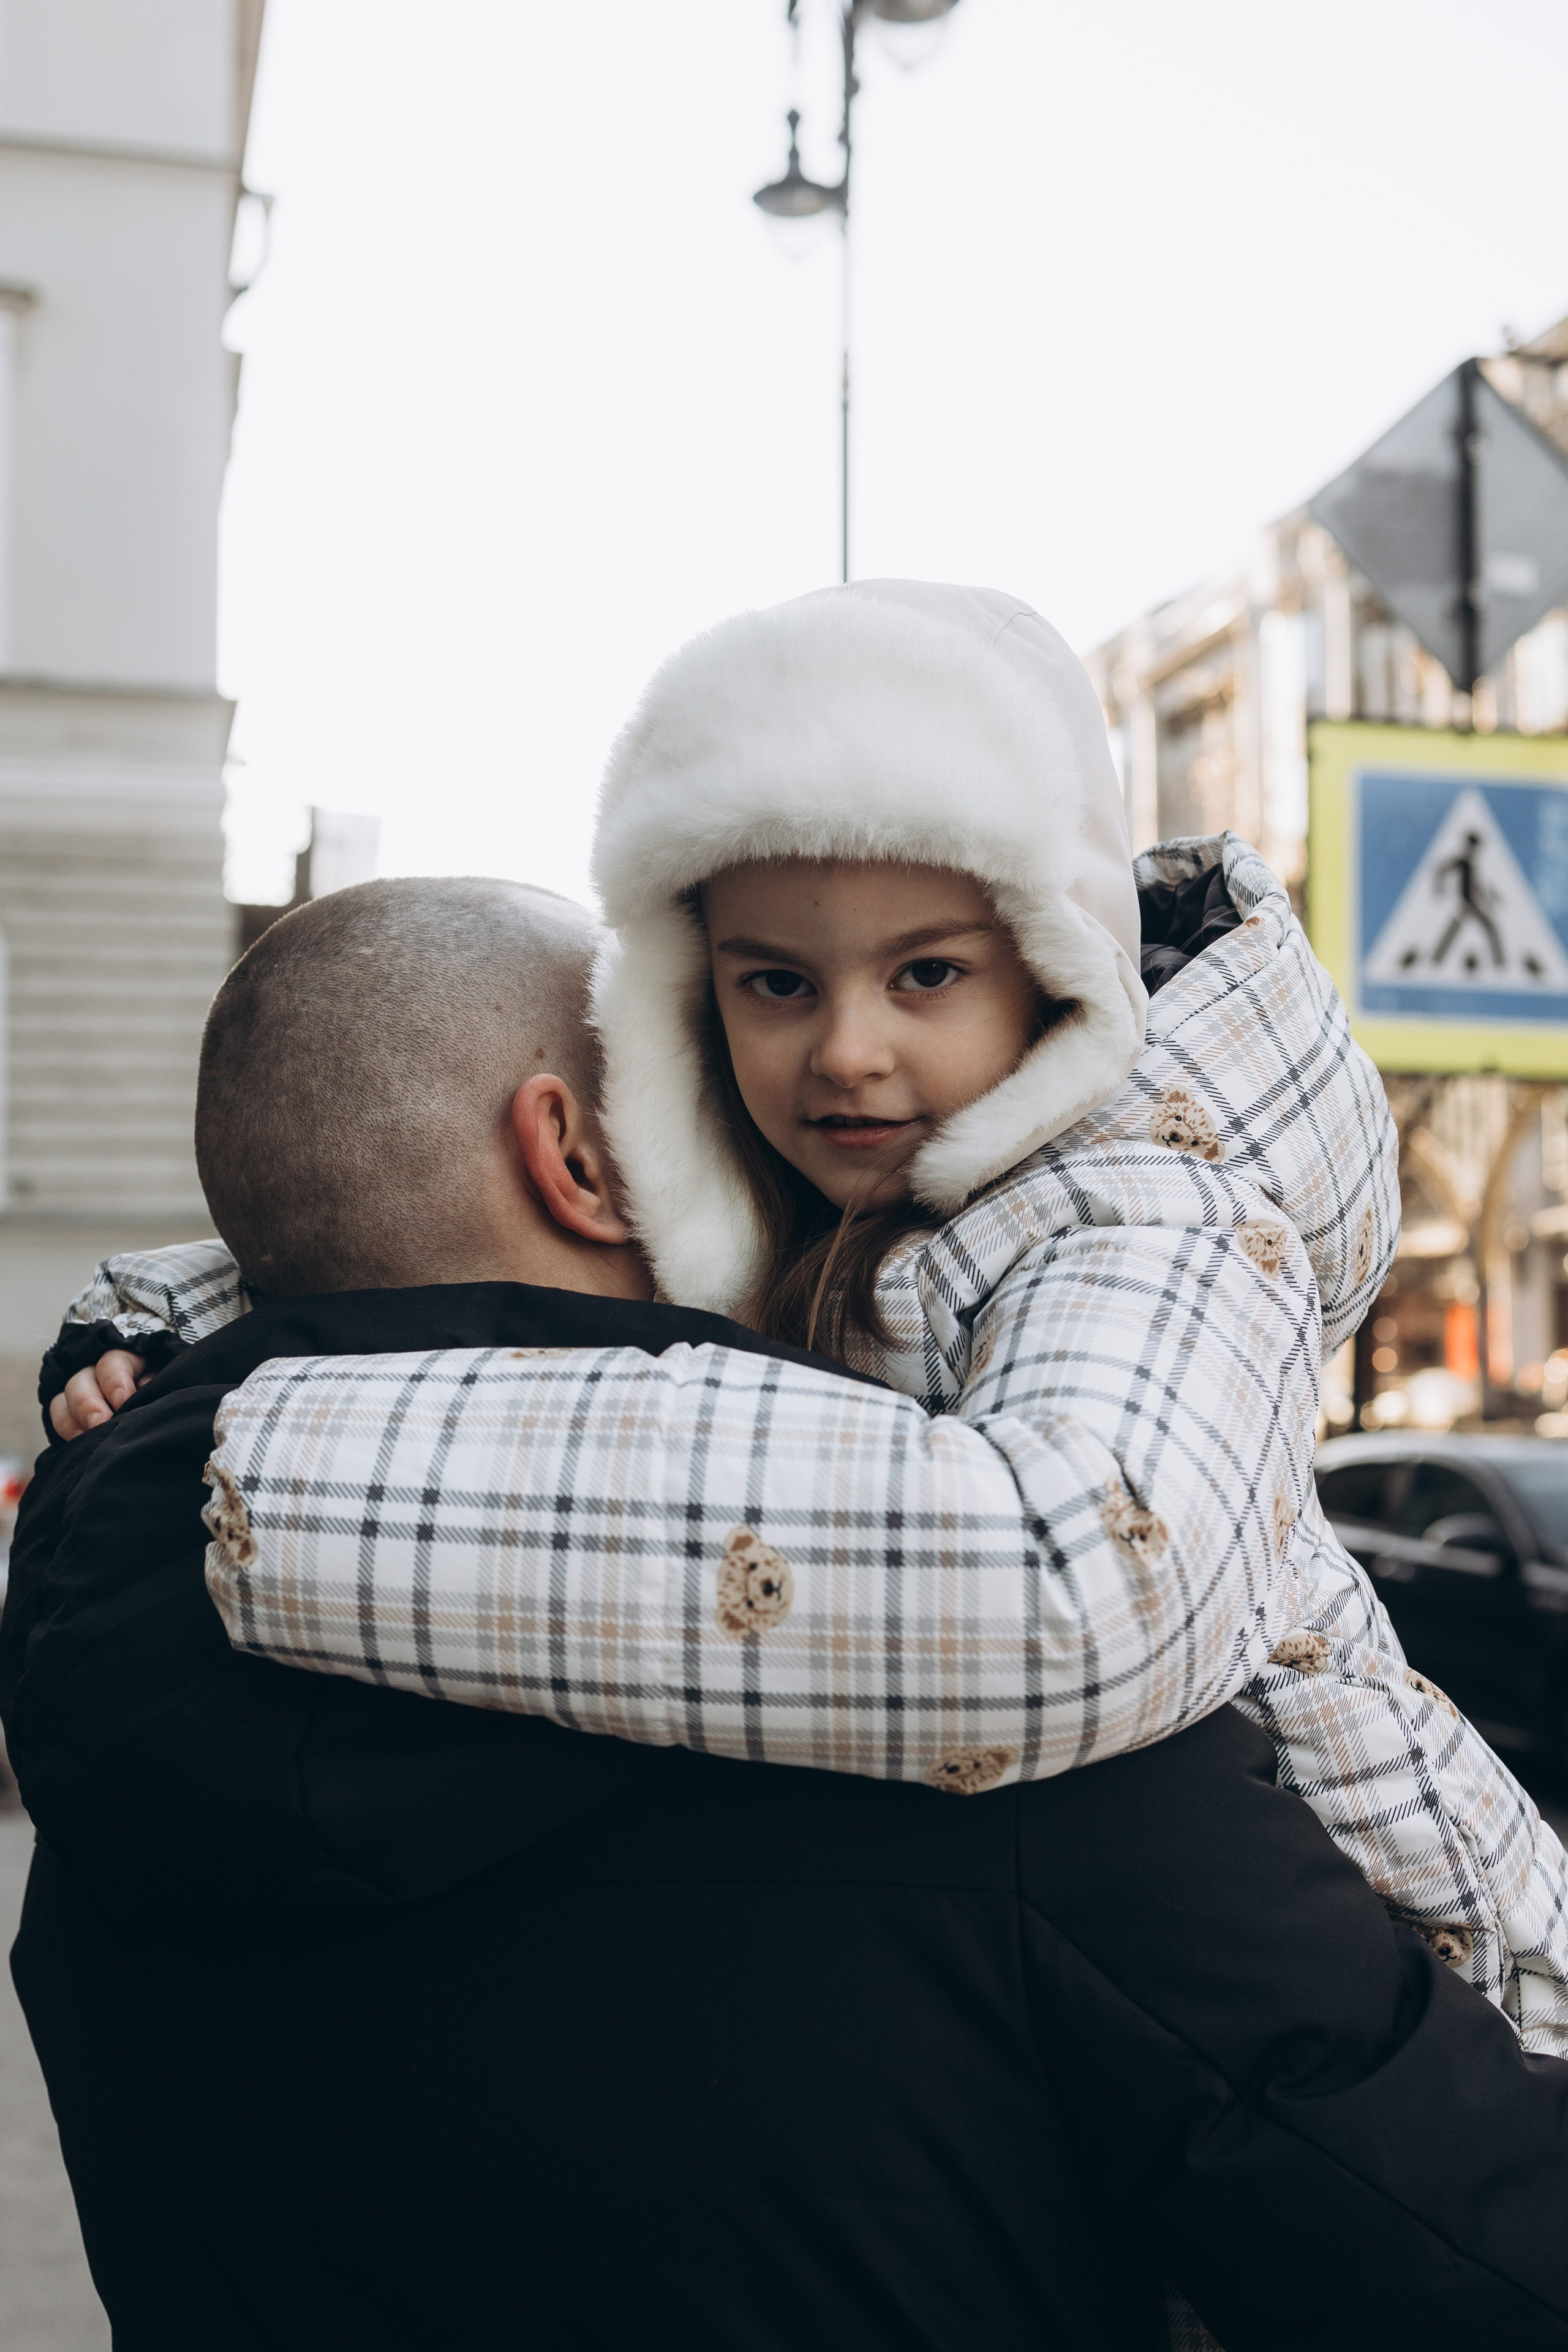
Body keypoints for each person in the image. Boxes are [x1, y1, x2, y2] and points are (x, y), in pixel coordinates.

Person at [17, 878, 1568, 2350]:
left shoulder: (109, 1729)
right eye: (697, 1069)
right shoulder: (998, 1708)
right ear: (578, 1156)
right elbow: (1482, 2264)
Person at [102, 582, 1566, 2052]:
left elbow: (1079, 1591)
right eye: (775, 984)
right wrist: (189, 1330)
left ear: (1055, 963)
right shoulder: (829, 1198)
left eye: (925, 970)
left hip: (1443, 1998)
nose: (845, 1052)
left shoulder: (1151, 1219)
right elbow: (451, 1246)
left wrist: (262, 1468)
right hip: (1188, 2038)